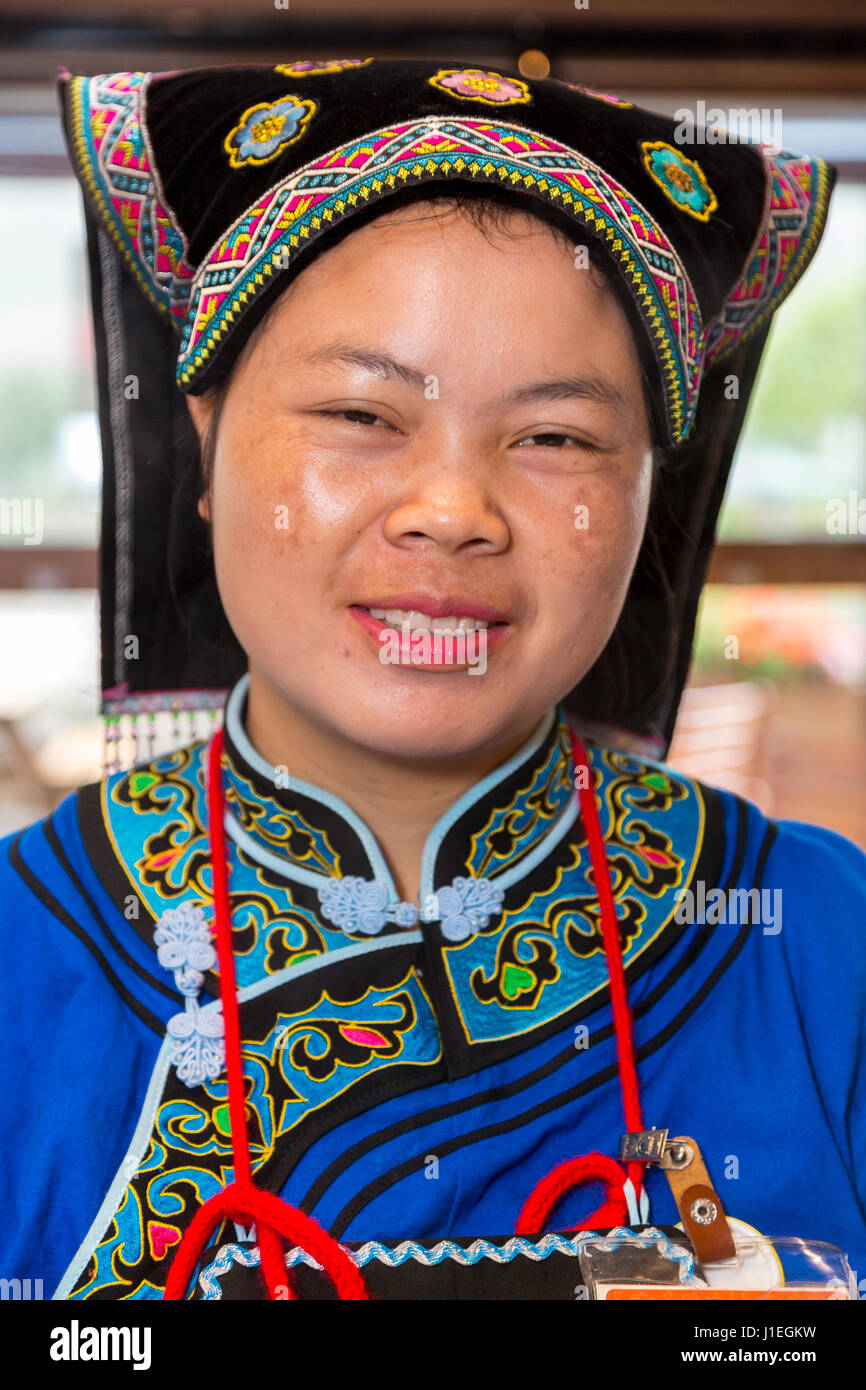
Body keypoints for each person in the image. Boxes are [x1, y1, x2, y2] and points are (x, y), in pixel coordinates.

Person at [1, 57, 863, 1301]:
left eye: (556, 437)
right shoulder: (25, 960)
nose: (452, 512)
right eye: (360, 415)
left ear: (643, 498)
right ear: (203, 440)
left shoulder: (813, 942)